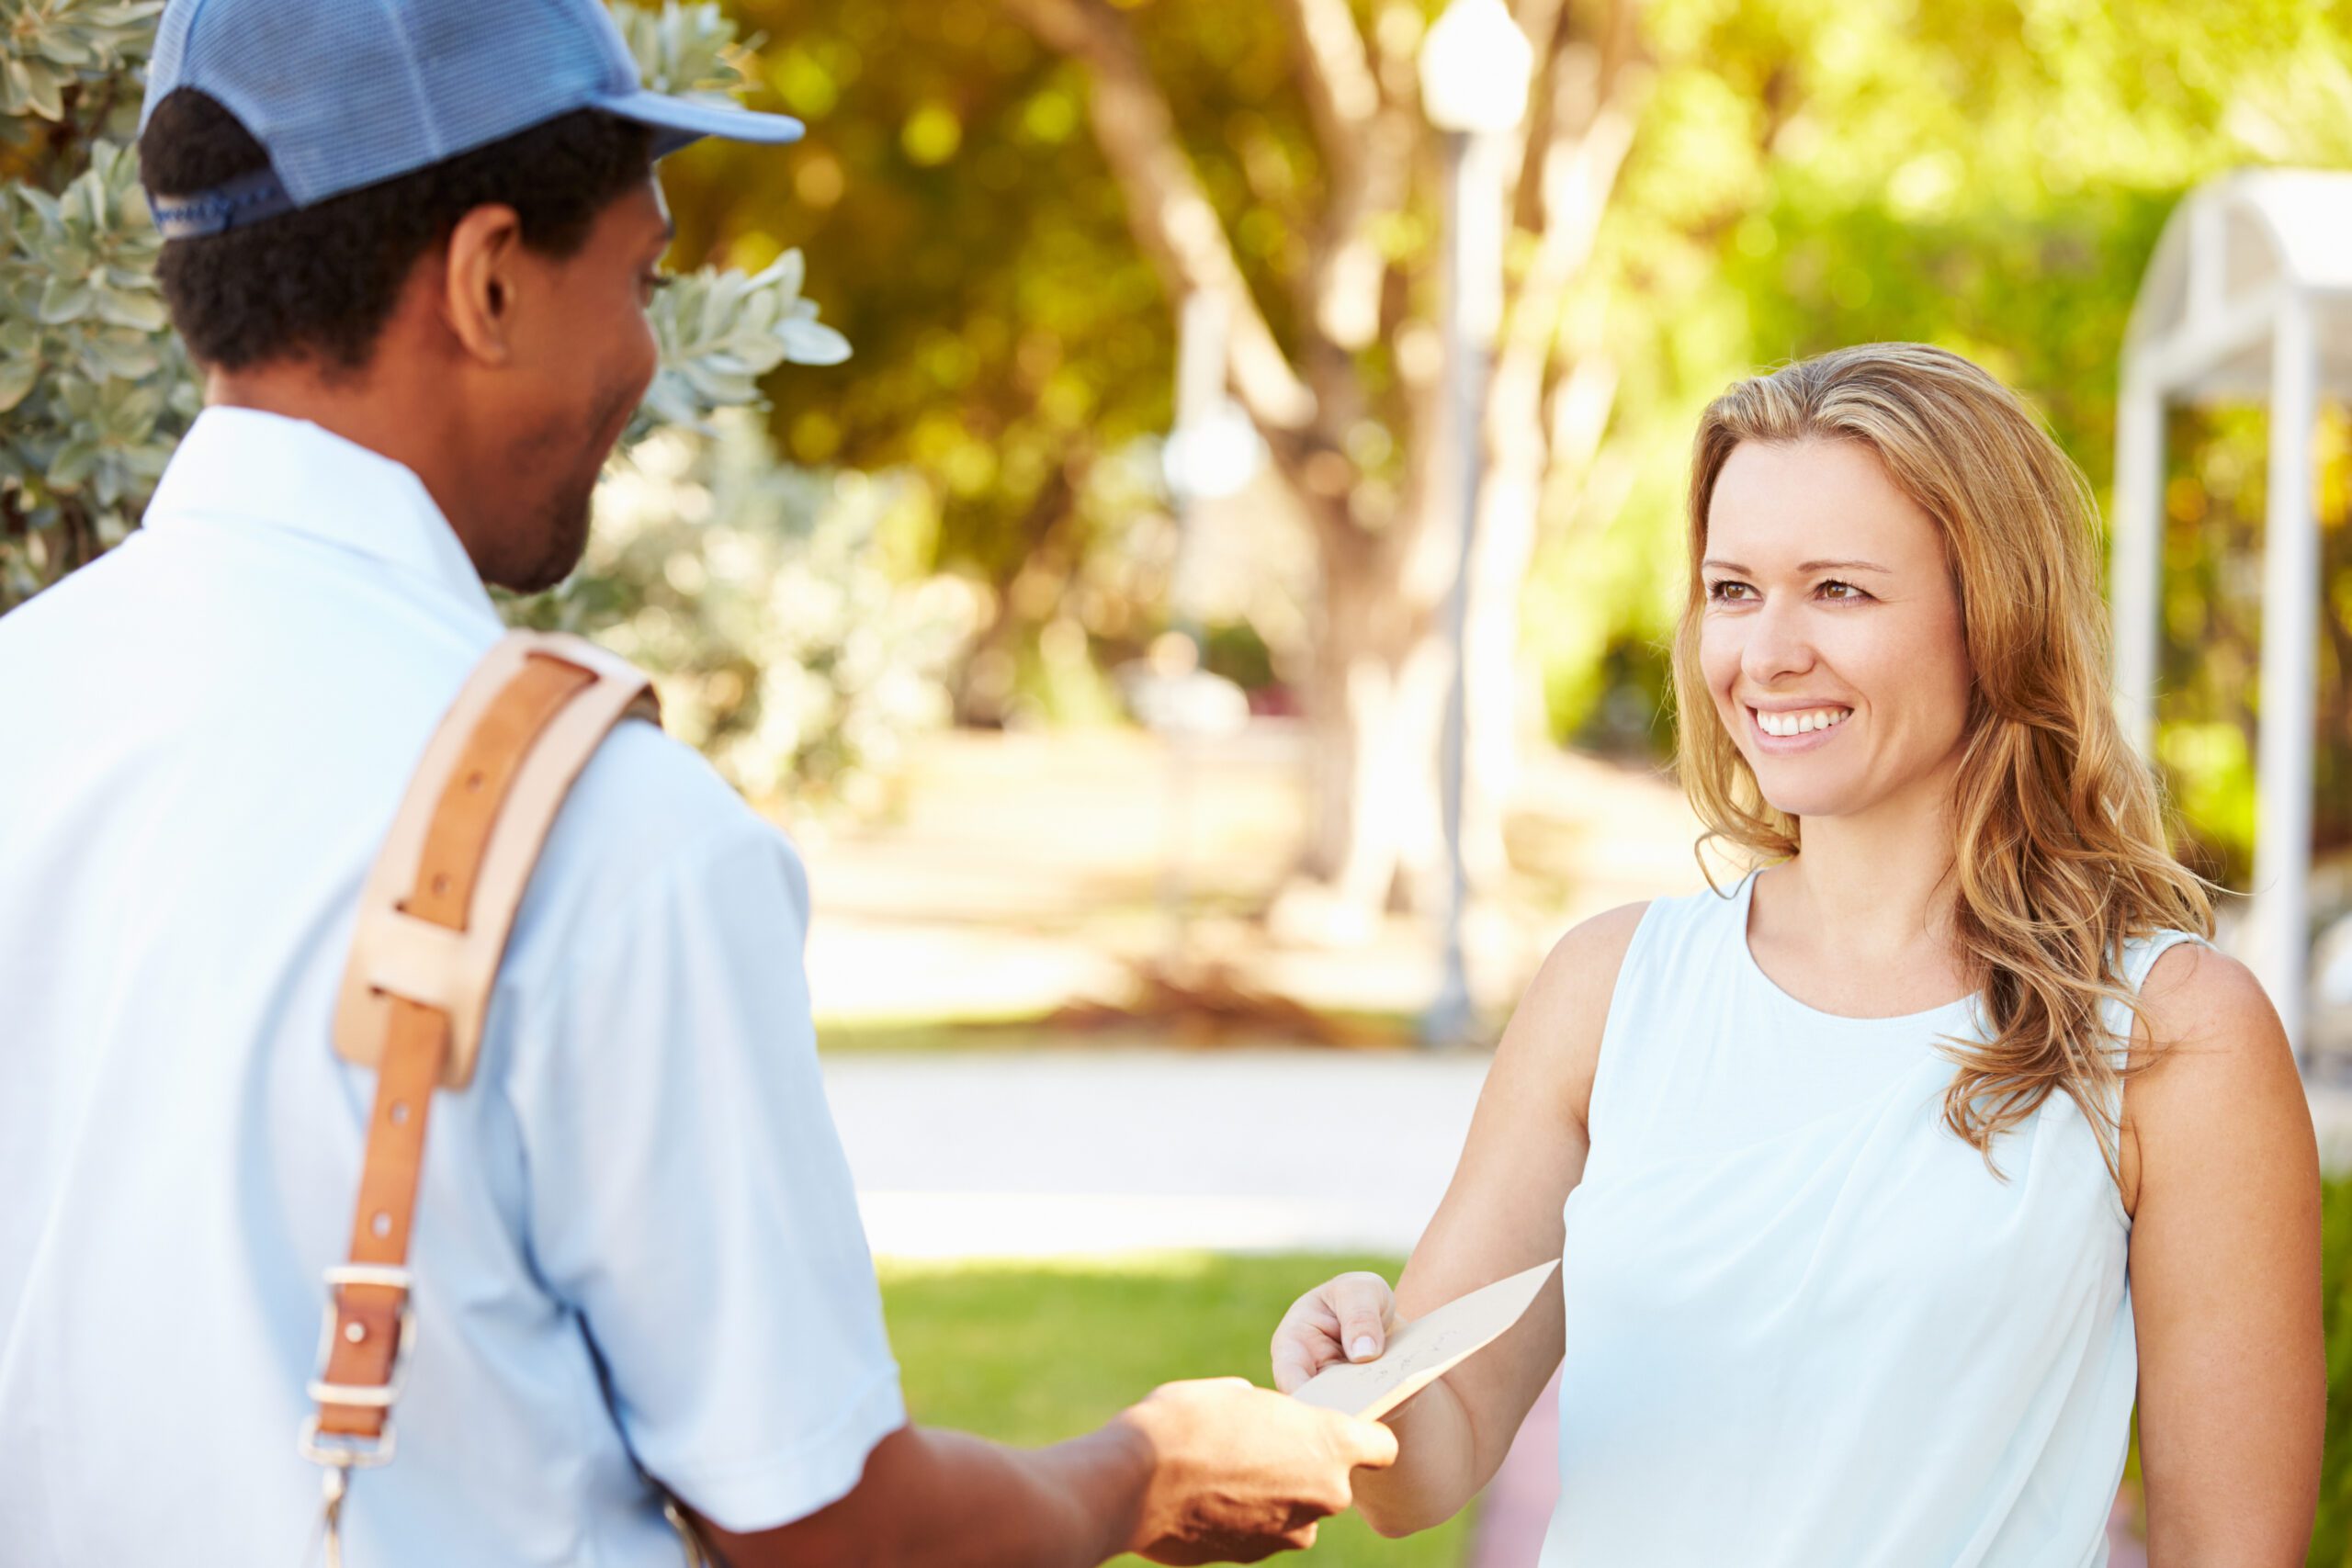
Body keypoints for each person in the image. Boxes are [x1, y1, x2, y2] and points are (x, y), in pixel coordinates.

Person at [0, 2, 1396, 1564]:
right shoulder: (603, 832)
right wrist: (1141, 1467)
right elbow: (820, 1532)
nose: (645, 356)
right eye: (641, 281)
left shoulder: (26, 705)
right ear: (488, 279)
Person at [1270, 344, 2325, 1564]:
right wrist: (1362, 1367)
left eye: (1839, 591)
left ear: (1995, 618)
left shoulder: (2170, 1029)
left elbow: (2231, 1549)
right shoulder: (1611, 990)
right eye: (1733, 589)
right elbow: (1431, 1460)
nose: (1766, 654)